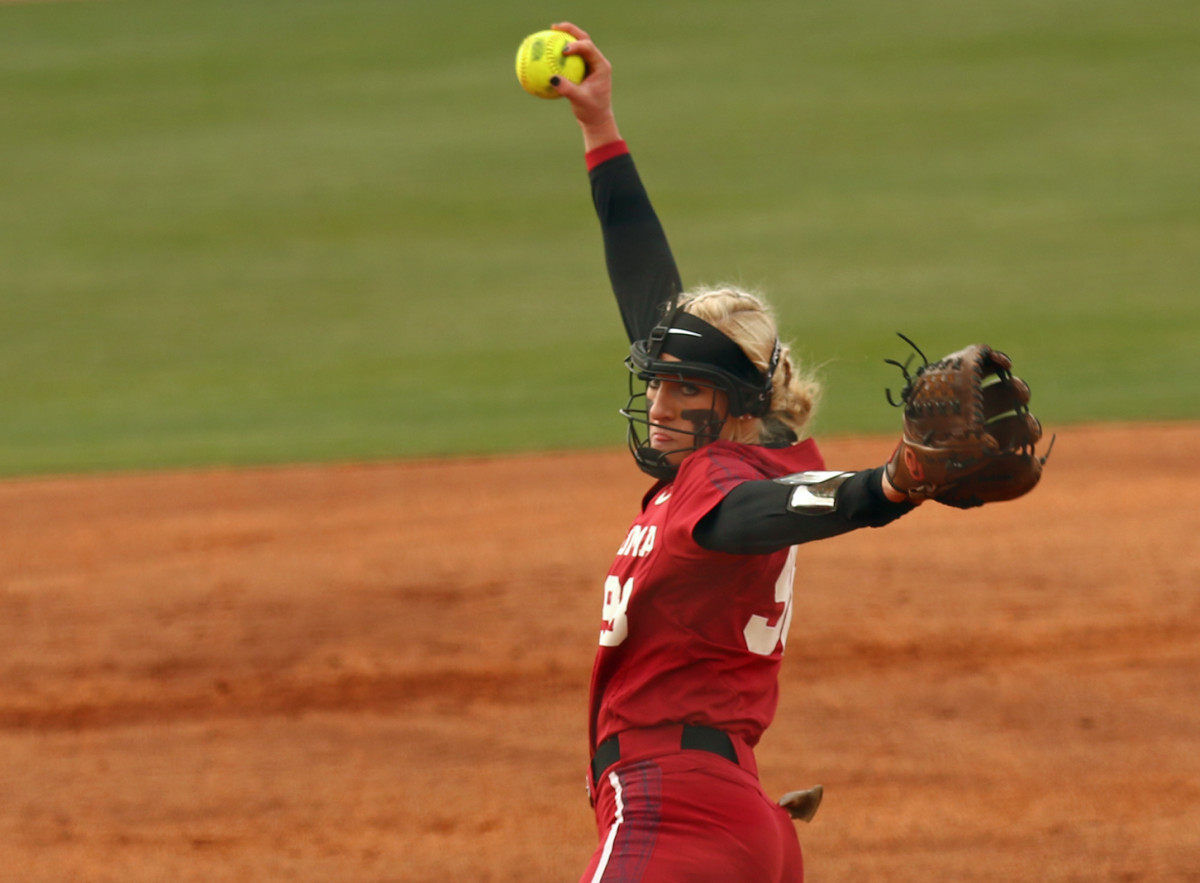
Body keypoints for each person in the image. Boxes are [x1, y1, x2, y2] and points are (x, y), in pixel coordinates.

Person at [548, 22, 920, 883]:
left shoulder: (718, 485)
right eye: (658, 383)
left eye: (685, 390)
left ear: (737, 404)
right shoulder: (767, 449)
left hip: (672, 804)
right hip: (738, 812)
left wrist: (885, 487)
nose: (660, 402)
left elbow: (747, 518)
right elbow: (648, 292)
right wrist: (599, 130)